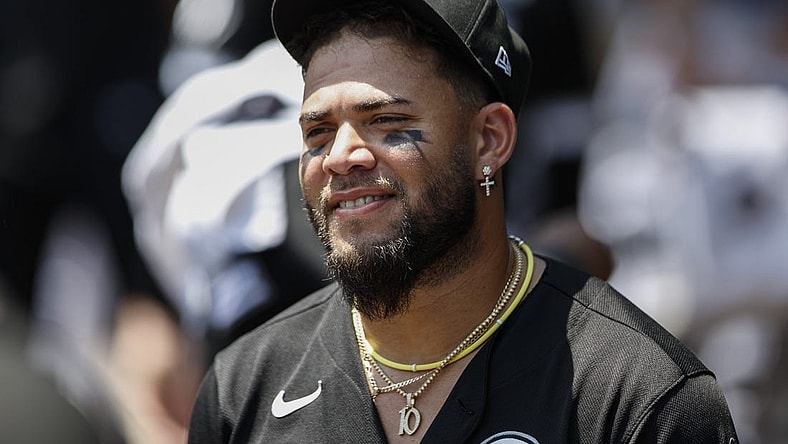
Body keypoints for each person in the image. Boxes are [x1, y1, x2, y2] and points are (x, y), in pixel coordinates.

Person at [187, 0, 740, 442]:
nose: (340, 157)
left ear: (489, 139)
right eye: (318, 133)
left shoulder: (637, 394)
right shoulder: (245, 388)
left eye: (386, 121)